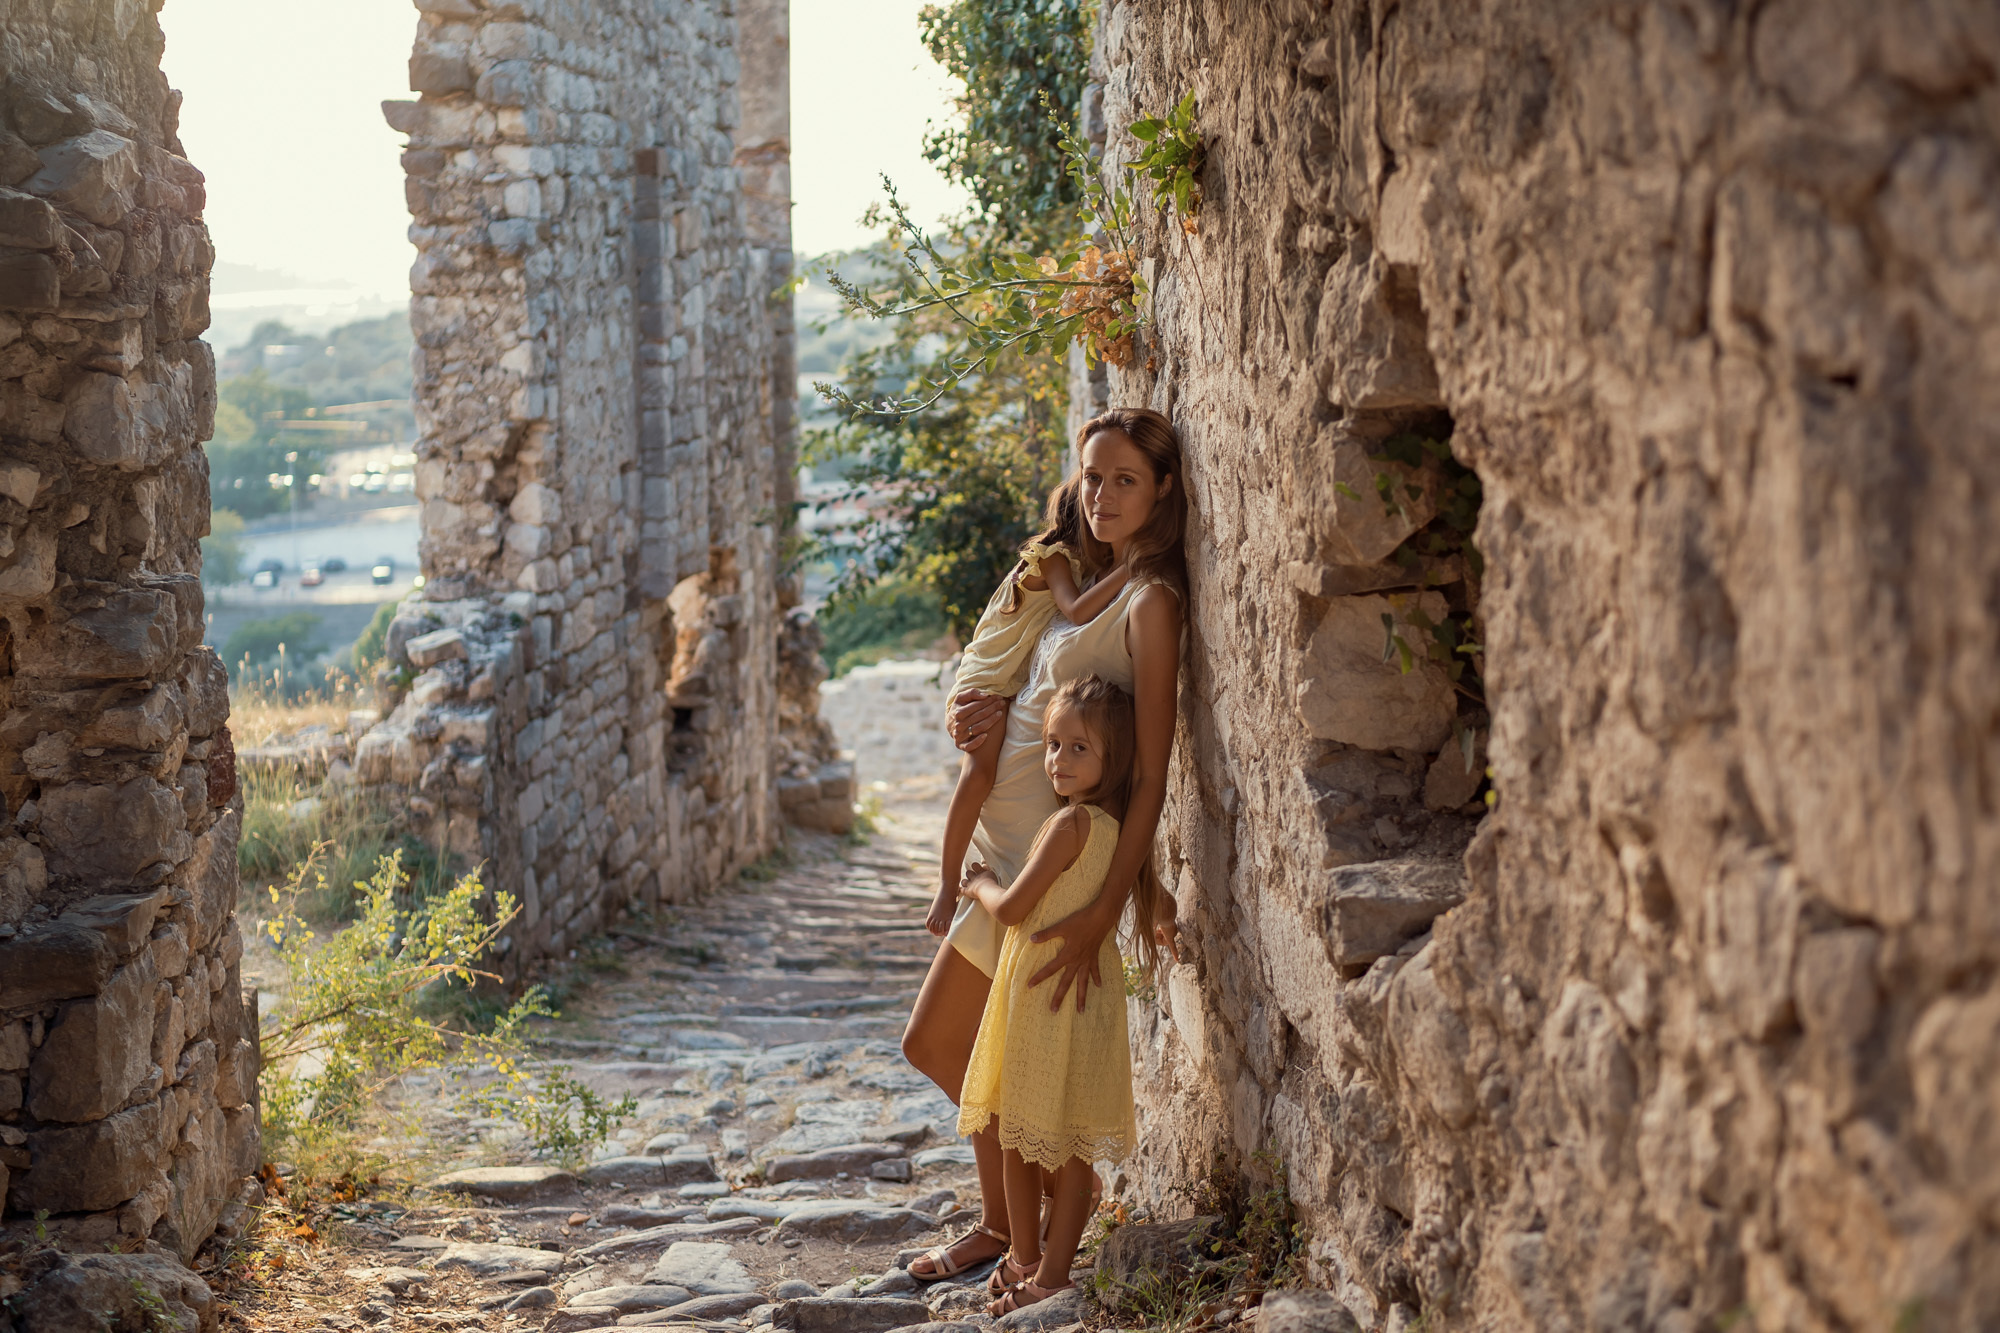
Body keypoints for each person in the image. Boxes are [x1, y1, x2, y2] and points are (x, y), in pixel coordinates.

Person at [902, 407, 1187, 1285]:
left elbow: (1149, 774)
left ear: (1164, 489)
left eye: (1125, 480)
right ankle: (1005, 1226)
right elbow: (1030, 679)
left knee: (942, 1045)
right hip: (1012, 850)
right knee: (967, 1057)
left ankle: (1057, 1201)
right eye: (1092, 477)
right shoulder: (1095, 577)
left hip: (1049, 873)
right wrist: (975, 713)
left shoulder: (1150, 603)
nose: (1100, 495)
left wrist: (1106, 907)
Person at [954, 676, 1166, 1313]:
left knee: (1017, 1132)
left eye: (1079, 748)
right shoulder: (1122, 831)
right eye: (1052, 745)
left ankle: (1028, 1264)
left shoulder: (1069, 825)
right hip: (1089, 1000)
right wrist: (1166, 918)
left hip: (1040, 993)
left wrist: (981, 884)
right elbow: (1151, 896)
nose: (1058, 760)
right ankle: (1049, 1275)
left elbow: (1015, 909)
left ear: (1113, 757)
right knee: (1069, 1140)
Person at [924, 477, 1133, 939]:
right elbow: (1077, 612)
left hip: (1003, 677)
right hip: (987, 678)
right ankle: (945, 884)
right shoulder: (1055, 560)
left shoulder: (1073, 567)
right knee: (977, 775)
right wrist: (1132, 568)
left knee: (982, 774)